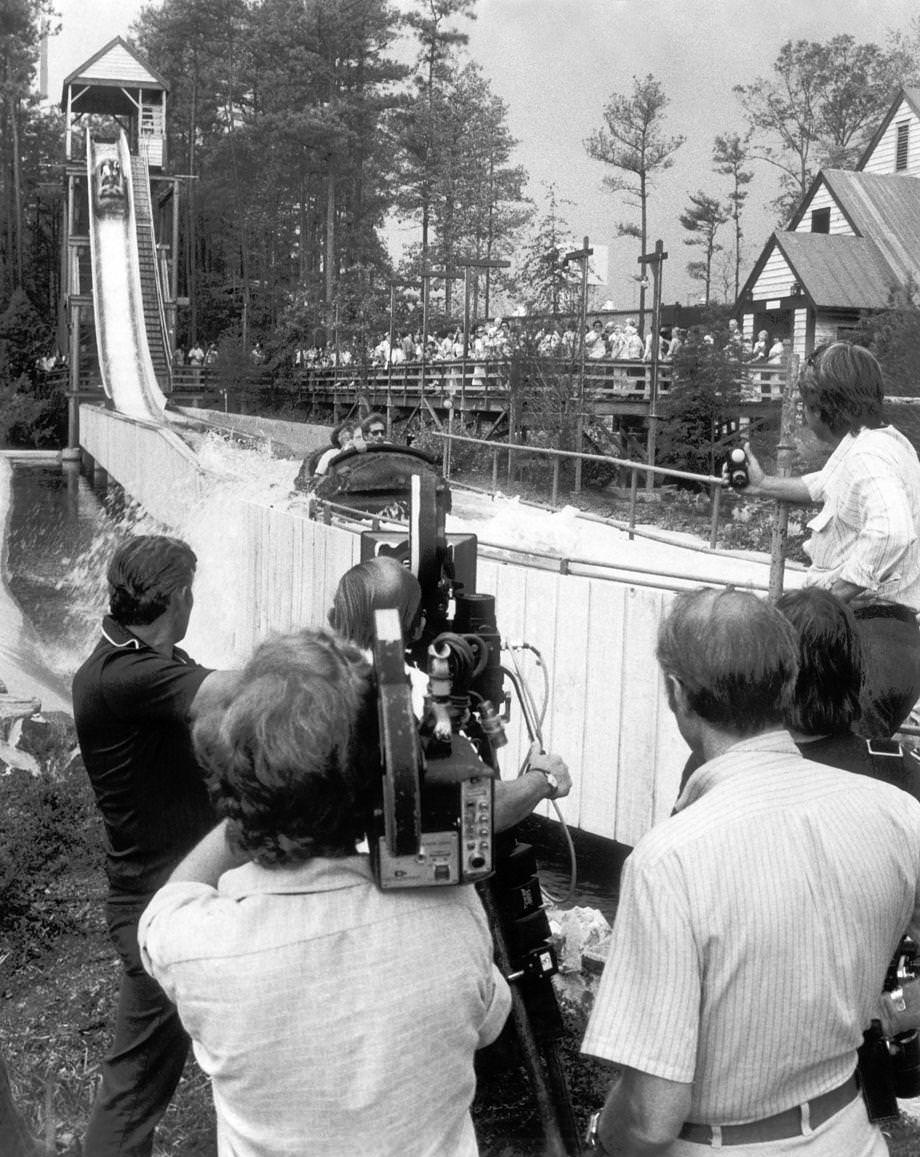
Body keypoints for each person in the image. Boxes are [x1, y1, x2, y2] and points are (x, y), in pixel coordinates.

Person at [139, 627, 511, 1156]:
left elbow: (166, 907)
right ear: (384, 776)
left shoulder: (197, 943)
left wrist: (248, 805)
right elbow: (490, 1020)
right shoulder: (453, 912)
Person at [582, 587, 920, 1156]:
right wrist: (889, 1012)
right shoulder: (898, 811)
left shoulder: (668, 861)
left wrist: (600, 1135)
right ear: (786, 682)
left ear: (675, 692)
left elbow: (650, 1120)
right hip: (851, 1135)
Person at [73, 535, 237, 1157]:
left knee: (144, 1081)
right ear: (176, 597)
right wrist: (327, 661)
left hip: (180, 893)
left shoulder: (143, 659)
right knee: (134, 1089)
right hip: (158, 905)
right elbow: (226, 693)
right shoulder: (126, 674)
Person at [744, 341, 920, 737]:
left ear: (831, 407)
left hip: (872, 645)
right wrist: (761, 485)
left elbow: (892, 533)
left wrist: (828, 598)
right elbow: (824, 486)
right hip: (880, 639)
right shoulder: (872, 441)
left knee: (838, 770)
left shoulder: (868, 458)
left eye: (807, 408)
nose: (805, 421)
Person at [328, 556, 571, 831]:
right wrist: (544, 778)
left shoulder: (310, 681)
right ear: (415, 624)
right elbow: (484, 809)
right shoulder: (404, 693)